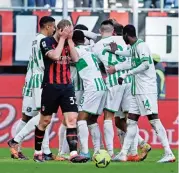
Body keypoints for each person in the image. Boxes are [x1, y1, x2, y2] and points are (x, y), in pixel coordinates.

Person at [107, 24, 175, 163]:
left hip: (146, 90)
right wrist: (116, 53)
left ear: (126, 35)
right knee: (131, 121)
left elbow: (145, 65)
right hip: (136, 90)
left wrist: (126, 75)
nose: (123, 39)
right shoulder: (133, 48)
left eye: (123, 37)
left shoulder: (142, 46)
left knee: (154, 120)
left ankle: (169, 153)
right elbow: (128, 57)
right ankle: (124, 154)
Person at [34, 19, 88, 163]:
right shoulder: (46, 41)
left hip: (67, 87)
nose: (69, 34)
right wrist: (62, 39)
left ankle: (73, 154)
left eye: (71, 32)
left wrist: (69, 40)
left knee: (71, 120)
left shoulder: (69, 42)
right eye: (67, 31)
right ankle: (38, 151)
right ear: (59, 30)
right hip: (50, 86)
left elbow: (76, 59)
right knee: (45, 121)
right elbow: (55, 56)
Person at [8, 16, 56, 161]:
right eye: (53, 27)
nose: (54, 29)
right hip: (40, 79)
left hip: (31, 79)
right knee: (44, 115)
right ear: (47, 26)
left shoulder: (36, 39)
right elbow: (51, 58)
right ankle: (16, 141)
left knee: (28, 116)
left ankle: (37, 151)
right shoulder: (44, 41)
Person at [107, 19, 152, 161]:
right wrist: (115, 52)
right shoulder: (127, 45)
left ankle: (131, 152)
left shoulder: (135, 45)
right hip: (121, 84)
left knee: (129, 118)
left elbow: (131, 63)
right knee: (119, 121)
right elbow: (127, 57)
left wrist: (119, 69)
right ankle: (138, 146)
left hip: (125, 84)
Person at [71, 30, 106, 159]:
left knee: (81, 119)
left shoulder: (76, 52)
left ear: (72, 41)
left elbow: (66, 61)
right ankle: (98, 151)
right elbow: (94, 36)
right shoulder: (89, 51)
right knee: (92, 120)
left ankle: (85, 152)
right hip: (101, 86)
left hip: (92, 88)